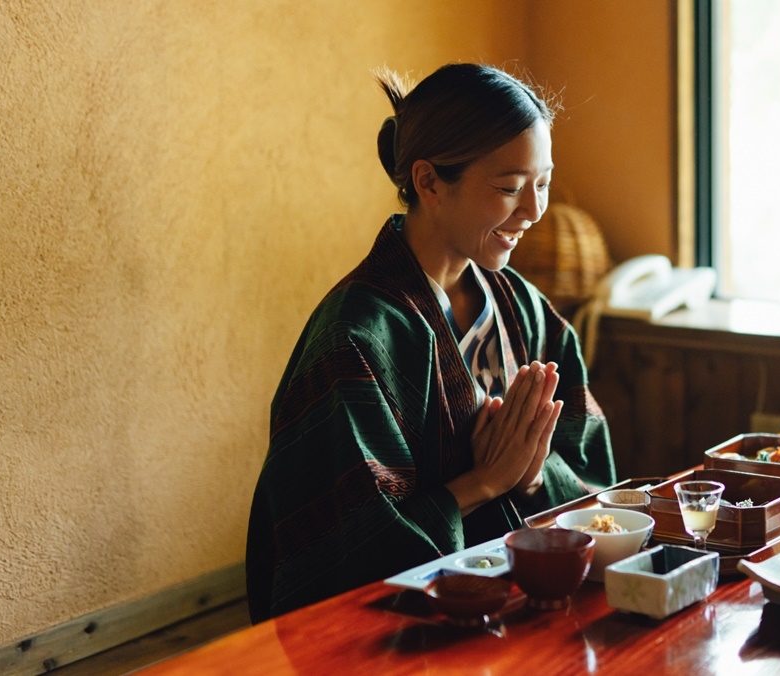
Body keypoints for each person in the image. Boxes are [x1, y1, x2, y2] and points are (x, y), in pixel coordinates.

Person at [245, 63, 617, 622]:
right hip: (397, 632)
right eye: (510, 188)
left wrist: (535, 474)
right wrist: (485, 482)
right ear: (429, 182)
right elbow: (341, 552)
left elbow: (597, 493)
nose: (534, 210)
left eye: (542, 183)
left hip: (529, 607)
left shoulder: (525, 311)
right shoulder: (355, 337)